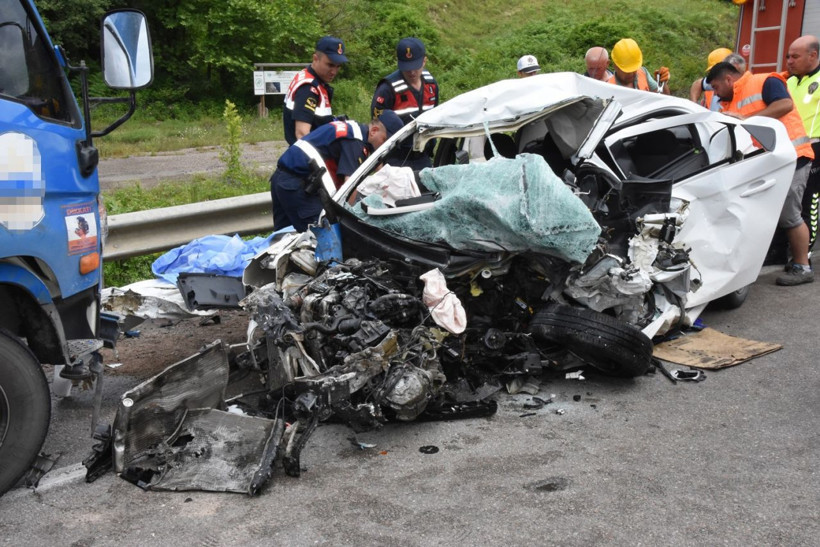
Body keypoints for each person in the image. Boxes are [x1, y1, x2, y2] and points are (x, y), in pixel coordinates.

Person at [707, 61, 816, 285]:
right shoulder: (732, 99)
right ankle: (782, 257)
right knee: (774, 214)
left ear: (729, 80)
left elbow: (785, 104)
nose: (715, 94)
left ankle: (803, 267)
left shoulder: (765, 81)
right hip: (772, 161)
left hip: (793, 156)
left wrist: (749, 119)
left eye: (716, 87)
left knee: (790, 215)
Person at [270, 111, 404, 232]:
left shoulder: (352, 128)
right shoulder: (355, 142)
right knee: (321, 236)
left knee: (281, 237)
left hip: (281, 178)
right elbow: (350, 186)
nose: (385, 146)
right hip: (297, 186)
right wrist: (350, 219)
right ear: (374, 130)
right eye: (385, 140)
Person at [371, 37, 439, 169]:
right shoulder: (387, 89)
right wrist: (379, 166)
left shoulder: (431, 85)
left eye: (415, 66)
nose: (412, 72)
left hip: (423, 157)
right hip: (396, 159)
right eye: (407, 68)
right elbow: (375, 128)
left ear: (424, 61)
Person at [786, 35, 820, 252]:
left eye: (795, 56)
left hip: (815, 148)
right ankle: (781, 250)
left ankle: (804, 255)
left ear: (813, 55)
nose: (790, 61)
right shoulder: (789, 81)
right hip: (789, 149)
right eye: (788, 56)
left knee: (809, 202)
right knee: (788, 203)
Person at [283, 36, 348, 146]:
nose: (334, 71)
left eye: (338, 66)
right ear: (315, 59)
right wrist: (317, 162)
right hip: (306, 159)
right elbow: (302, 134)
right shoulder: (309, 88)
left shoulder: (309, 77)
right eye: (330, 65)